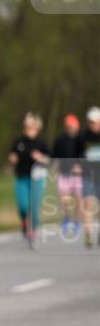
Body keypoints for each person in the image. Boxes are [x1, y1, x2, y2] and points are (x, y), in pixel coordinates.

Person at [8, 112, 50, 244]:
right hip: (22, 177)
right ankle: (24, 221)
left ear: (37, 127)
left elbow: (50, 160)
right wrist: (12, 158)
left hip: (37, 178)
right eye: (27, 126)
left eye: (32, 126)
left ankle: (33, 228)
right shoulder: (19, 141)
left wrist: (40, 158)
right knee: (23, 205)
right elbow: (12, 155)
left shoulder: (41, 144)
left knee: (34, 205)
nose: (29, 128)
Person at [51, 113, 86, 236]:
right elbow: (54, 157)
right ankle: (67, 217)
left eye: (74, 127)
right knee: (64, 200)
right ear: (66, 126)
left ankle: (77, 221)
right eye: (70, 126)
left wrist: (81, 166)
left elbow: (85, 156)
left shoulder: (80, 140)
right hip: (64, 174)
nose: (72, 129)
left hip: (77, 176)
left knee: (79, 200)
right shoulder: (59, 140)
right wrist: (54, 169)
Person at [81, 106, 100, 247]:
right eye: (90, 122)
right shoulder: (83, 137)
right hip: (87, 175)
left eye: (94, 122)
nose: (92, 124)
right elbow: (75, 154)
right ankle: (88, 233)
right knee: (88, 204)